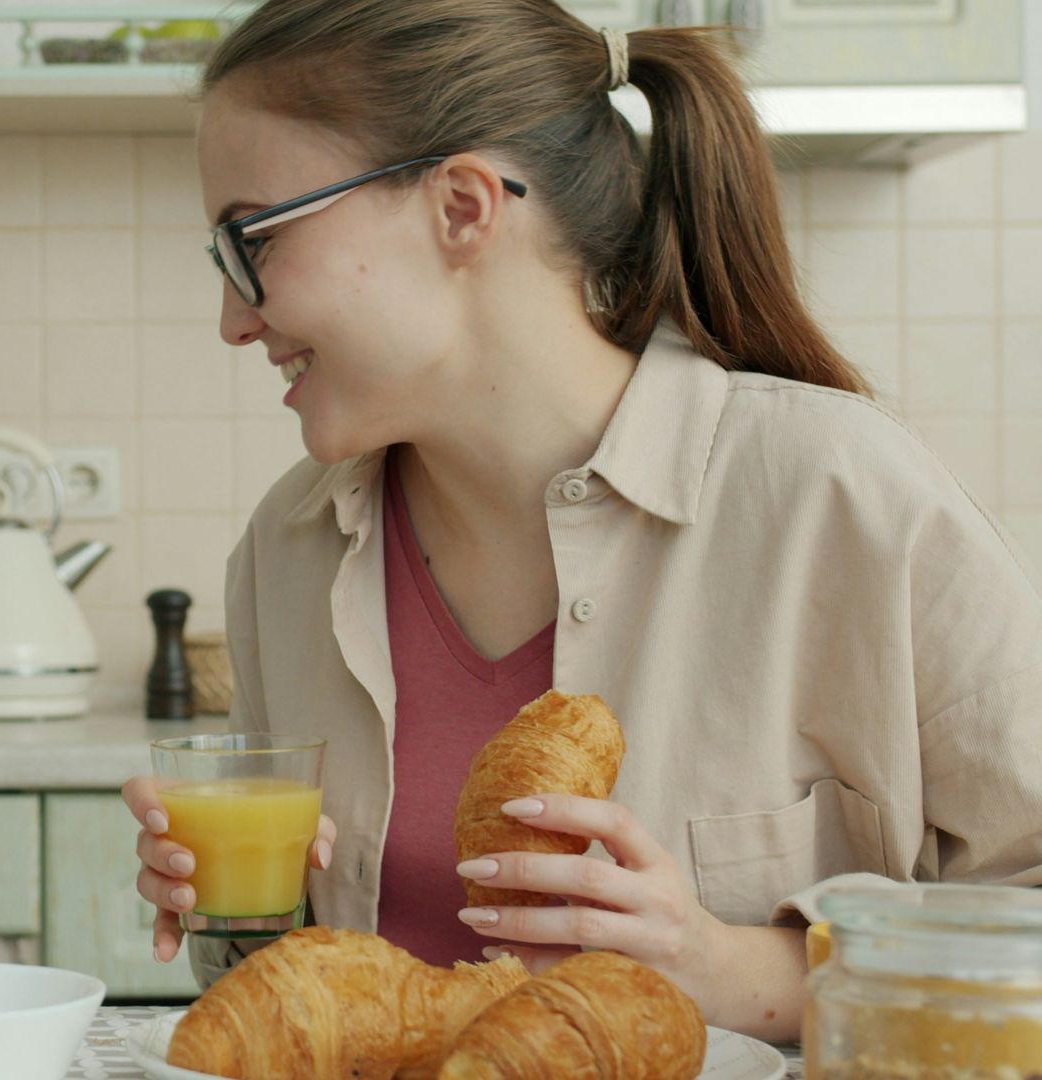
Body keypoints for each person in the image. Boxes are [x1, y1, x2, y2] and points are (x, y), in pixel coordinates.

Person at [123, 0, 1042, 1042]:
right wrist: (237, 913)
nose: (235, 320)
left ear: (463, 207)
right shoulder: (286, 552)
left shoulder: (836, 496)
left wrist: (731, 967)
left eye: (255, 241)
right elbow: (320, 1001)